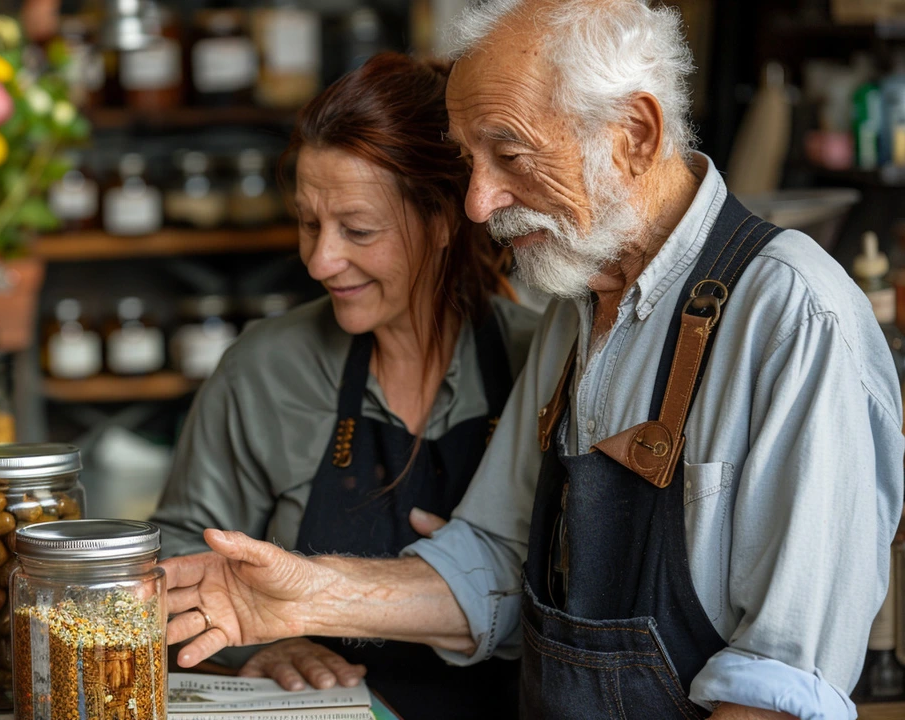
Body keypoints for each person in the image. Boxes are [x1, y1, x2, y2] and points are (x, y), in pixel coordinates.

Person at [161, 1, 905, 718]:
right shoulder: (572, 314)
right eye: (468, 161)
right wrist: (304, 595)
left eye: (509, 152)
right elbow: (493, 563)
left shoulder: (794, 319)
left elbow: (781, 688)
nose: (479, 202)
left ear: (635, 134)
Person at [150, 53, 539, 719]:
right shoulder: (265, 369)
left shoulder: (539, 361)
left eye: (357, 230)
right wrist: (263, 646)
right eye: (308, 222)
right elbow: (178, 558)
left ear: (445, 218)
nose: (320, 259)